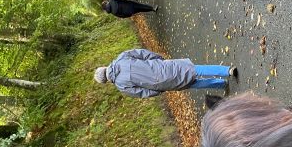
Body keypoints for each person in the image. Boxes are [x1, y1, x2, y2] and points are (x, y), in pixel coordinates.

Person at [93, 48, 237, 98]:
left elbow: (142, 93)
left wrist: (159, 91)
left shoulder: (121, 86)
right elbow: (142, 53)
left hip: (162, 84)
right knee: (196, 69)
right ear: (104, 67)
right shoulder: (121, 58)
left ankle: (221, 85)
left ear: (106, 81)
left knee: (194, 83)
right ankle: (227, 71)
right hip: (162, 67)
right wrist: (158, 59)